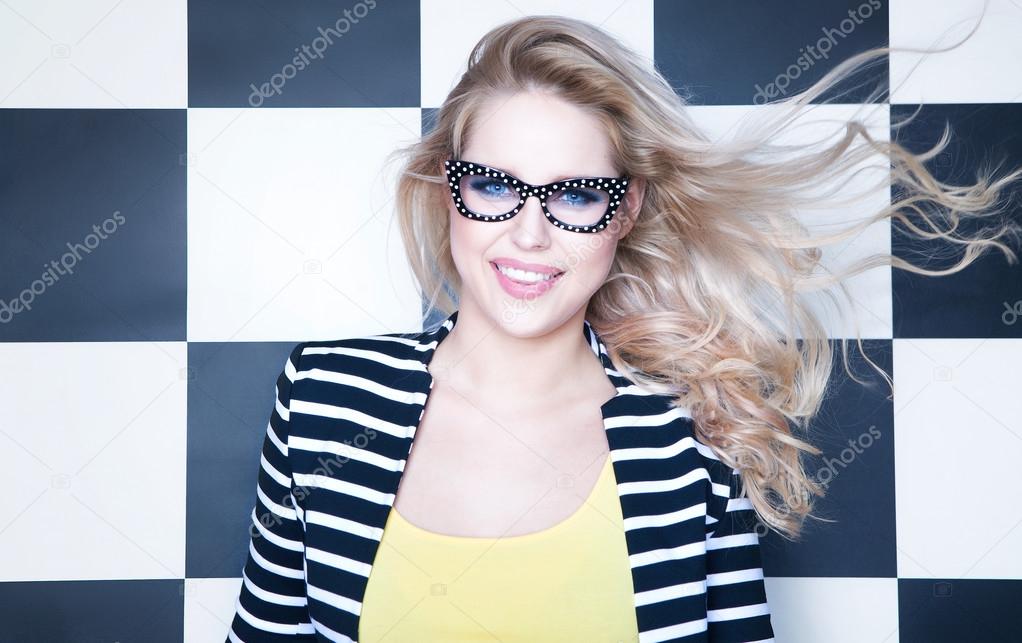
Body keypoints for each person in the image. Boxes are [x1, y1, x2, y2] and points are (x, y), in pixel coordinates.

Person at [227, 14, 1022, 643]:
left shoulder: (689, 433)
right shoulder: (325, 398)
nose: (530, 234)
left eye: (575, 195)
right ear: (447, 190)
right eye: (496, 186)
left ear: (626, 210)